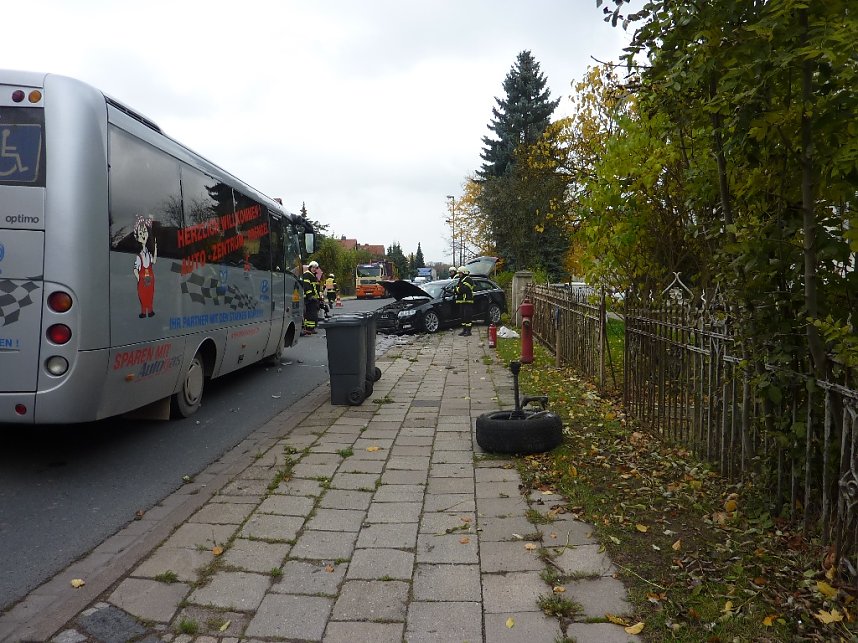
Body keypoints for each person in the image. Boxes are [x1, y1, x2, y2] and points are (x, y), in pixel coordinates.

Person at [301, 260, 322, 335]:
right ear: (310, 267)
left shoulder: (313, 276)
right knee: (311, 314)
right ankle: (309, 328)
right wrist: (310, 296)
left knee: (313, 313)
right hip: (309, 298)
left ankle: (310, 328)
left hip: (314, 298)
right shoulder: (307, 274)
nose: (314, 269)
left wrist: (319, 297)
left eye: (316, 268)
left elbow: (316, 288)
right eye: (313, 267)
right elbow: (306, 286)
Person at [454, 266, 475, 336]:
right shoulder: (461, 279)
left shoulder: (468, 279)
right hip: (461, 301)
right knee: (462, 316)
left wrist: (458, 289)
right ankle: (464, 330)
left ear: (464, 272)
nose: (459, 274)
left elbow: (464, 289)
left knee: (467, 316)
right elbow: (457, 288)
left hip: (467, 301)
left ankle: (468, 331)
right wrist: (457, 289)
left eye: (460, 273)